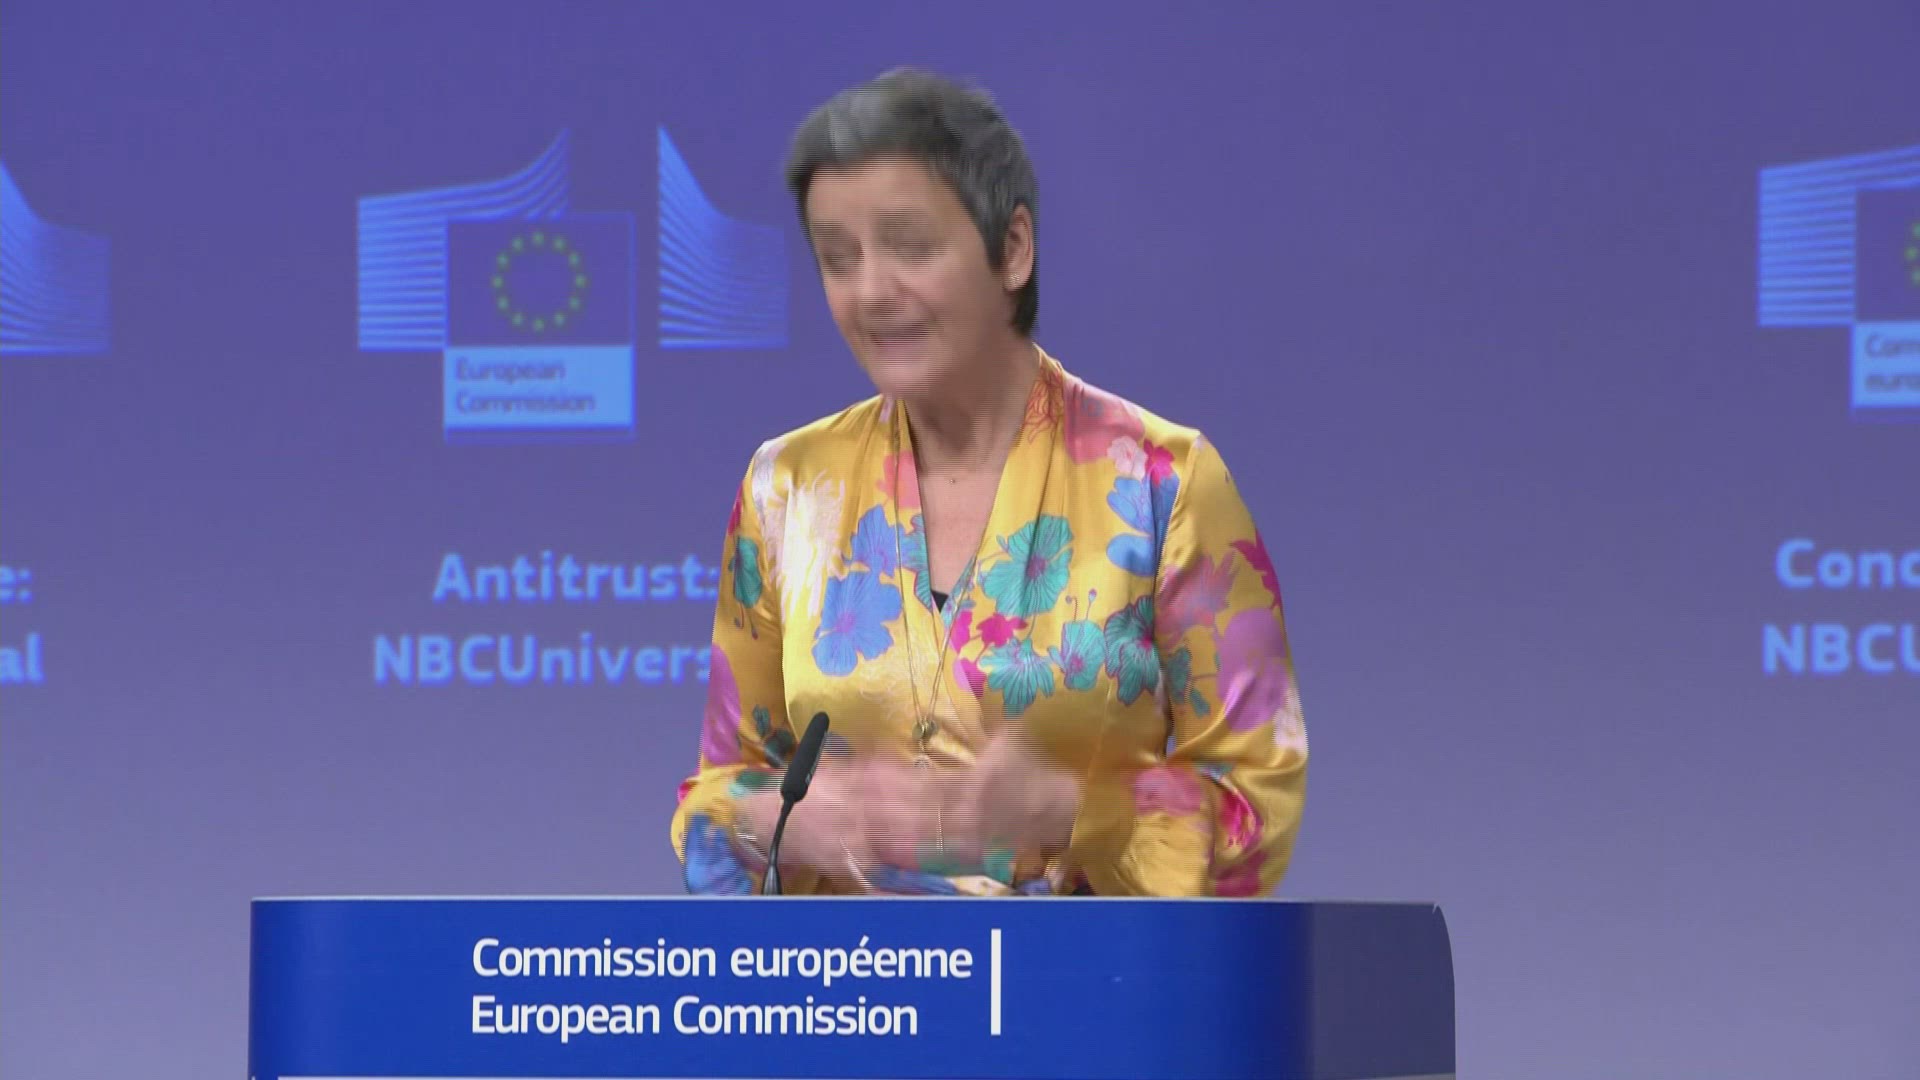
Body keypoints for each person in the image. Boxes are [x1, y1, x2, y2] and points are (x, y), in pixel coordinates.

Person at [669, 67, 1307, 897]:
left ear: (1012, 250)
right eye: (838, 259)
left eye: (910, 246)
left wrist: (1072, 811)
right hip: (854, 978)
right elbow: (719, 789)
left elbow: (1257, 804)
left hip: (1091, 977)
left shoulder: (1166, 483)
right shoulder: (784, 490)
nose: (871, 292)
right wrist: (774, 821)